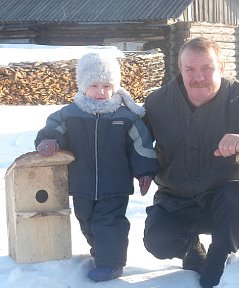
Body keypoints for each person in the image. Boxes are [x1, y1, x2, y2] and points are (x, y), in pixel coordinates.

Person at [142, 37, 239, 288]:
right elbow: (137, 144)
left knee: (234, 198)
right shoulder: (157, 103)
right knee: (157, 240)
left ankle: (219, 255)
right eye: (190, 69)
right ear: (181, 69)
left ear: (221, 67)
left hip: (225, 201)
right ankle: (190, 248)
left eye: (207, 68)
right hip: (176, 198)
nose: (198, 77)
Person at [35, 52, 158, 282]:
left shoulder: (125, 117)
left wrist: (145, 171)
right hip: (81, 184)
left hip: (115, 185)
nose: (101, 91)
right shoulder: (70, 115)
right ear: (83, 86)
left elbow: (141, 145)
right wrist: (49, 141)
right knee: (86, 219)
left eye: (107, 86)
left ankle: (111, 263)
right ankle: (101, 250)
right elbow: (54, 129)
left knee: (109, 223)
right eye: (94, 85)